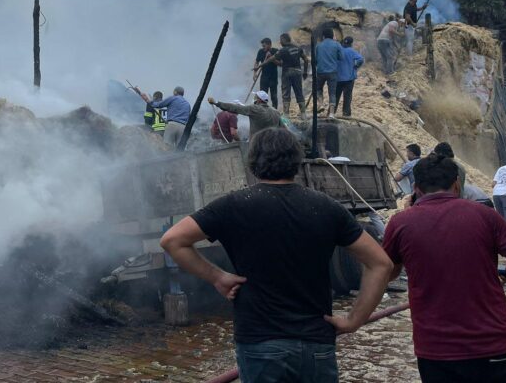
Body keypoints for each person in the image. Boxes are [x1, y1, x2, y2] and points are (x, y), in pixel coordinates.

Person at [160, 128, 393, 383]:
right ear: (297, 161)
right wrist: (354, 320)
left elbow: (173, 241)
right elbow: (380, 264)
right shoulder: (328, 207)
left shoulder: (233, 205)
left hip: (260, 344)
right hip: (316, 343)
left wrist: (217, 277)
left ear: (253, 162)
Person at [382, 153, 506, 383]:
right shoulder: (485, 215)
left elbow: (386, 273)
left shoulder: (400, 223)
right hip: (494, 347)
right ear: (457, 185)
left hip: (436, 352)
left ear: (415, 188)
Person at [210, 91, 283, 139]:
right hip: (273, 144)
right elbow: (283, 128)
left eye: (255, 97)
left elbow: (235, 108)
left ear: (259, 100)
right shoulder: (276, 112)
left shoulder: (254, 109)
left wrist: (217, 103)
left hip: (258, 144)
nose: (254, 99)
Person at [277, 33, 309, 118]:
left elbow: (274, 59)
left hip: (287, 73)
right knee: (299, 92)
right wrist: (305, 72)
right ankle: (303, 114)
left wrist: (261, 65)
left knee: (286, 93)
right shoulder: (298, 48)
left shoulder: (283, 50)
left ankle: (286, 115)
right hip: (297, 72)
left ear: (284, 40)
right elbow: (306, 60)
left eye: (281, 40)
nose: (280, 42)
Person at [314, 29, 343, 117]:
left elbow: (315, 60)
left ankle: (321, 104)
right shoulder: (337, 44)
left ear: (323, 36)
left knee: (318, 89)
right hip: (332, 72)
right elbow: (341, 57)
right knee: (332, 93)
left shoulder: (319, 46)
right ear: (332, 36)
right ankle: (331, 113)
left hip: (320, 72)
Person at [334, 37, 364, 118]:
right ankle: (346, 114)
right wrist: (355, 65)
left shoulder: (338, 51)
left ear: (343, 42)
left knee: (335, 96)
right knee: (347, 97)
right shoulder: (352, 51)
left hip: (338, 78)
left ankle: (331, 113)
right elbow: (361, 59)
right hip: (349, 79)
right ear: (351, 44)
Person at [254, 38, 280, 109]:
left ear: (269, 45)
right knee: (262, 96)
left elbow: (280, 64)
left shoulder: (275, 51)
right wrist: (255, 73)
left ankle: (275, 111)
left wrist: (271, 58)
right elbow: (257, 62)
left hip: (273, 78)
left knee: (274, 96)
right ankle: (262, 111)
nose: (263, 47)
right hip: (264, 78)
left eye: (264, 46)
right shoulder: (260, 51)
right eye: (262, 46)